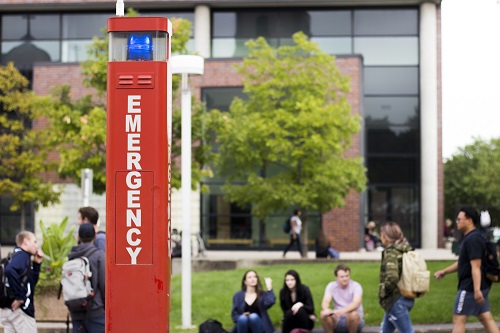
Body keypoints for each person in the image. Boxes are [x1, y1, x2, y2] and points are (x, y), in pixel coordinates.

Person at [434, 207, 499, 333]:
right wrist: (445, 271)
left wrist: (476, 290)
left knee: (458, 319)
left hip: (470, 287)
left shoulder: (473, 239)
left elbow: (476, 266)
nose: (457, 222)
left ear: (469, 220)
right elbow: (463, 263)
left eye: (459, 219)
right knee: (485, 317)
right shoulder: (473, 237)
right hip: (480, 286)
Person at [1, 231, 44, 333]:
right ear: (25, 242)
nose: (36, 246)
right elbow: (10, 270)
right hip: (21, 312)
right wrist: (20, 297)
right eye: (34, 242)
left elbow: (30, 283)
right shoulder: (23, 256)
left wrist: (37, 264)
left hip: (7, 310)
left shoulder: (14, 256)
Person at [68, 223, 106, 333]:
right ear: (95, 236)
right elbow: (103, 284)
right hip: (95, 311)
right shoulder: (99, 255)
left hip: (76, 311)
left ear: (79, 237)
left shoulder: (72, 256)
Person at [378, 221, 414, 333]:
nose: (380, 237)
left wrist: (383, 291)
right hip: (406, 296)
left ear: (385, 236)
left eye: (381, 234)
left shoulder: (391, 253)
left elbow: (392, 278)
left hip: (395, 300)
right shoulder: (404, 250)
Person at [320, 264, 364, 333]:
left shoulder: (356, 286)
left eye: (347, 276)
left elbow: (356, 304)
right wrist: (326, 309)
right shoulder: (331, 286)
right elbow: (326, 300)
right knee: (323, 314)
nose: (345, 279)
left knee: (353, 315)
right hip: (337, 318)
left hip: (354, 320)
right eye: (342, 277)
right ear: (336, 277)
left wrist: (343, 311)